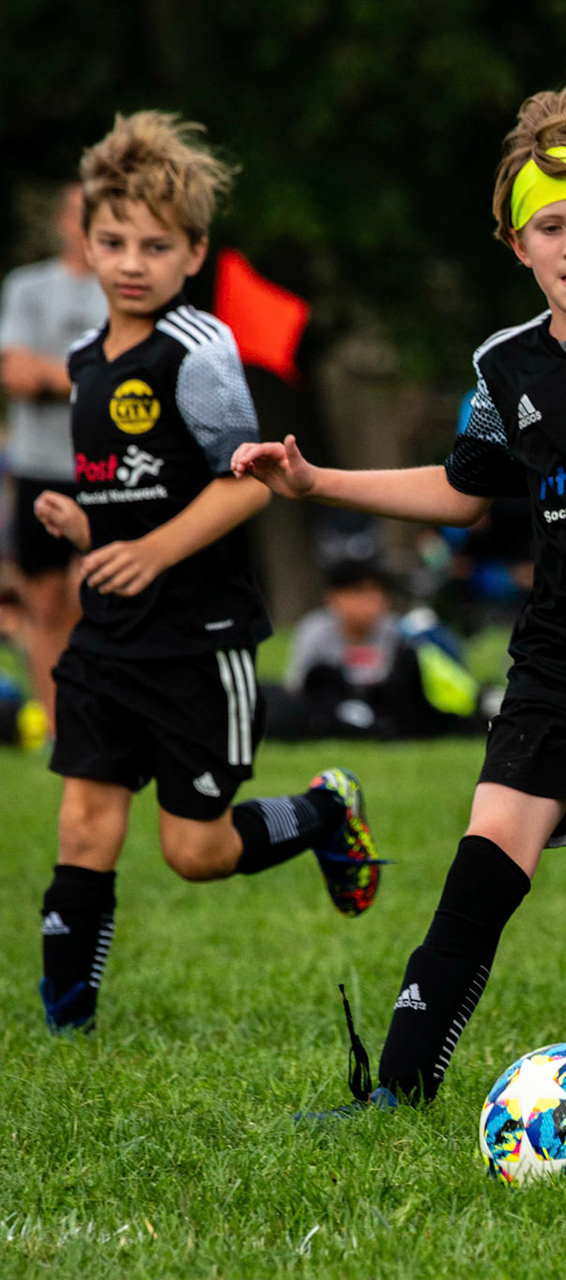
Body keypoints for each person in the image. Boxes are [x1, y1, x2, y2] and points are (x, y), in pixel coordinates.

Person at [237, 64, 566, 1109]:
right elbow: (463, 492)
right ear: (517, 246)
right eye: (548, 226)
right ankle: (397, 1087)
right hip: (558, 655)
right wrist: (314, 478)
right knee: (484, 863)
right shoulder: (504, 367)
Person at [31, 112, 378, 1035]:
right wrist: (83, 524)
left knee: (195, 852)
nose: (131, 262)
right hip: (109, 637)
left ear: (194, 254)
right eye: (113, 242)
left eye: (155, 245)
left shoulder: (198, 348)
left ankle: (322, 810)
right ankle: (69, 1021)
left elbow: (252, 484)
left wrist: (152, 552)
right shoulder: (80, 364)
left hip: (199, 643)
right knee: (82, 828)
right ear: (88, 242)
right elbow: (129, 495)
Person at [1, 182, 108, 734]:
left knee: (94, 597)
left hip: (103, 468)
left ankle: (99, 718)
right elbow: (15, 373)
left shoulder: (123, 289)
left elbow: (134, 374)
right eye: (78, 212)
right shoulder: (27, 287)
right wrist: (88, 376)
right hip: (40, 465)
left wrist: (52, 375)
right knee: (43, 604)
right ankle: (57, 727)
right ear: (64, 220)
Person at [264, 557, 481, 742]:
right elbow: (299, 686)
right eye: (359, 593)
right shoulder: (315, 629)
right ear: (334, 597)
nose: (371, 601)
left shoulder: (396, 630)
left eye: (377, 593)